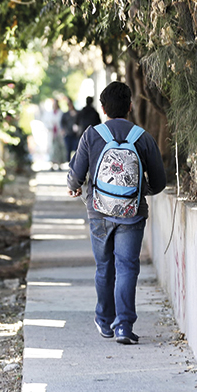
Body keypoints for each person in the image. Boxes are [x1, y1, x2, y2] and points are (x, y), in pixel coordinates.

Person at [67, 81, 166, 345]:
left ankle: (104, 320)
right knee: (127, 268)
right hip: (132, 214)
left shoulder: (91, 135)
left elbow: (76, 175)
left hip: (98, 213)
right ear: (131, 107)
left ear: (102, 108)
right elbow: (159, 183)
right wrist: (137, 192)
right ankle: (123, 326)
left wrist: (74, 187)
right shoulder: (142, 137)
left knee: (104, 267)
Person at [59, 96, 79, 162]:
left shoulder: (77, 113)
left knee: (76, 148)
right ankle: (68, 161)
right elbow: (62, 123)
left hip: (75, 134)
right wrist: (63, 130)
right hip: (68, 133)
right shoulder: (65, 114)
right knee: (68, 148)